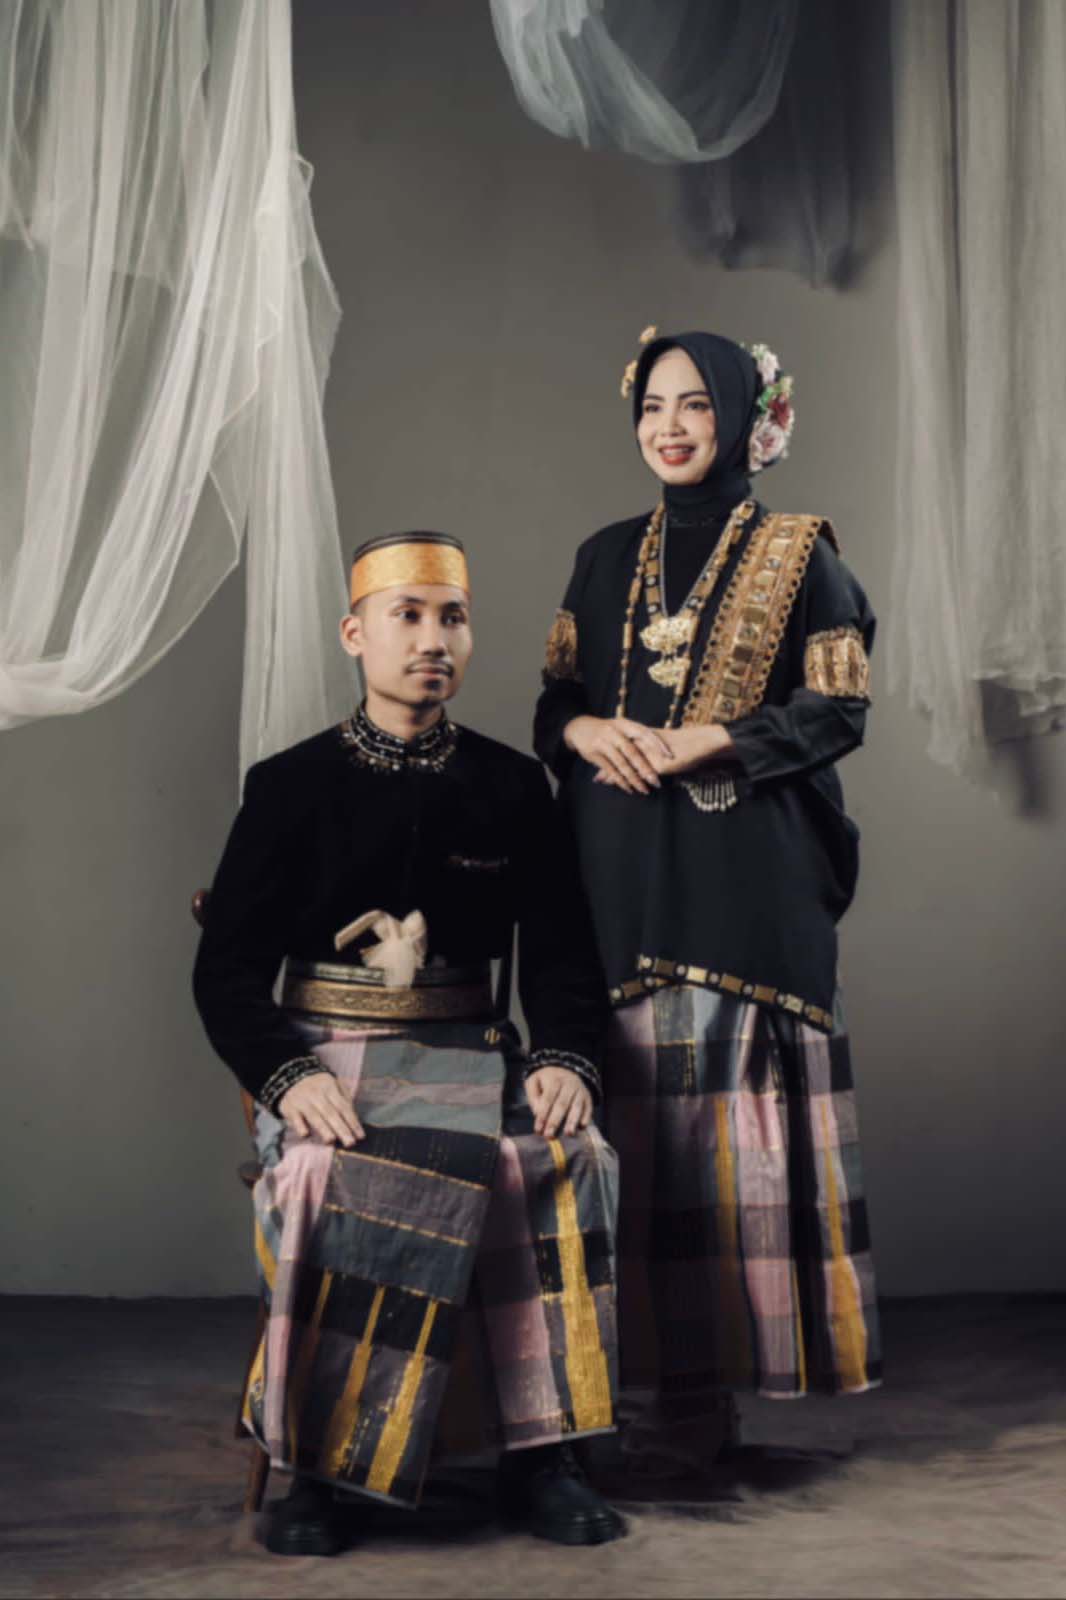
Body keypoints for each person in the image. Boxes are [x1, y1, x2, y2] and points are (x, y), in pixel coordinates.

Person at [194, 531, 624, 1555]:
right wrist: (286, 1076)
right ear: (356, 635)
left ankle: (545, 1454)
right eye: (408, 616)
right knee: (321, 1173)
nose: (434, 640)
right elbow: (226, 974)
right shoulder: (288, 784)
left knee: (567, 1158)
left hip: (471, 1051)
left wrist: (564, 1054)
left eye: (453, 618)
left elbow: (562, 954)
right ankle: (318, 1465)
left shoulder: (511, 786)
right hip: (327, 1055)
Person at [534, 328, 881, 1480]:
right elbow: (553, 708)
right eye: (652, 406)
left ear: (742, 418)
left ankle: (701, 1404)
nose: (669, 427)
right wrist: (590, 730)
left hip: (742, 888)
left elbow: (837, 709)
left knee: (723, 1149)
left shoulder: (800, 553)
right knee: (633, 1131)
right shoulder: (601, 556)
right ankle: (612, 1397)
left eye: (694, 404)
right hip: (617, 877)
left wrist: (705, 740)